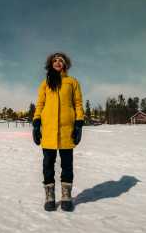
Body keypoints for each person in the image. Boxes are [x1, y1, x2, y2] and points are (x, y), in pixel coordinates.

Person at [32, 52, 85, 212]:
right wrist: (36, 122)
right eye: (54, 60)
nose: (57, 62)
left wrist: (79, 123)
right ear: (51, 64)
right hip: (48, 129)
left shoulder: (72, 82)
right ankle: (49, 196)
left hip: (67, 130)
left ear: (65, 64)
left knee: (67, 165)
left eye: (60, 60)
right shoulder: (45, 83)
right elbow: (40, 104)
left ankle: (66, 196)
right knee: (48, 164)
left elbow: (78, 103)